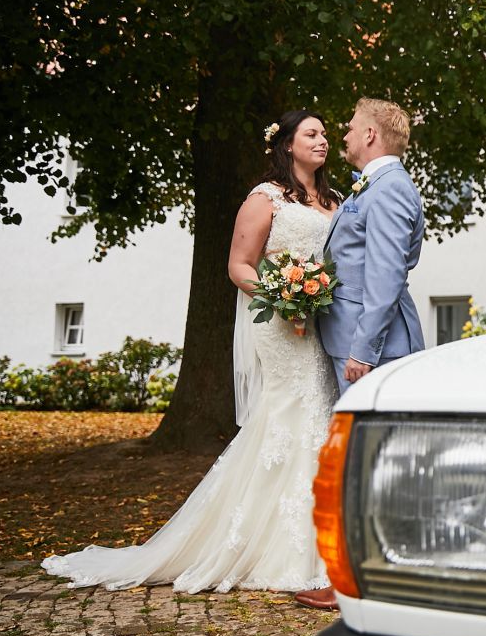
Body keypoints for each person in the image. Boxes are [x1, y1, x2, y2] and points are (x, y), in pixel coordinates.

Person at [43, 110, 341, 594]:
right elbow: (239, 265)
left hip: (323, 325)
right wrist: (283, 298)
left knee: (319, 415)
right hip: (281, 325)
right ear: (287, 144)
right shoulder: (264, 198)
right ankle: (283, 547)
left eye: (325, 134)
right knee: (290, 415)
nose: (323, 140)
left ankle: (321, 539)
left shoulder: (333, 201)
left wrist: (317, 297)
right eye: (312, 133)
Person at [298, 97, 426, 610]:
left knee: (371, 461)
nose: (344, 135)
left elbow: (386, 277)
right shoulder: (375, 186)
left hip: (373, 347)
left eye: (351, 128)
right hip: (360, 342)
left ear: (372, 135)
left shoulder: (389, 188)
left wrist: (364, 351)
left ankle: (359, 580)